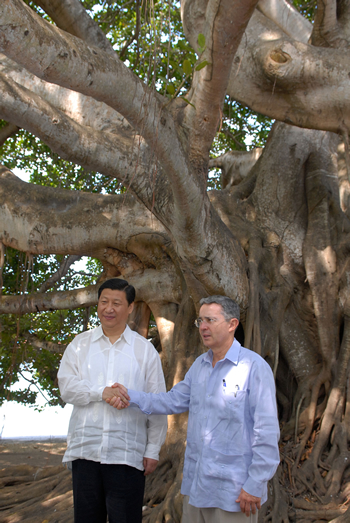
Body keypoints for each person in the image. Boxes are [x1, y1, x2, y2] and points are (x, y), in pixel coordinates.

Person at [109, 295, 280, 523]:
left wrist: (255, 484)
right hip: (197, 488)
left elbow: (266, 432)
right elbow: (171, 401)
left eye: (210, 320)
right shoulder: (199, 366)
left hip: (235, 493)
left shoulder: (254, 367)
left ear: (232, 324)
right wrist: (129, 395)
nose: (203, 327)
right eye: (200, 321)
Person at [57, 278, 167, 523]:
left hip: (127, 454)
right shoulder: (79, 345)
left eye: (116, 303)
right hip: (86, 451)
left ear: (130, 308)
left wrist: (152, 450)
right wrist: (102, 392)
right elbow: (67, 388)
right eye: (104, 302)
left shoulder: (144, 350)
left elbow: (156, 403)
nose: (109, 308)